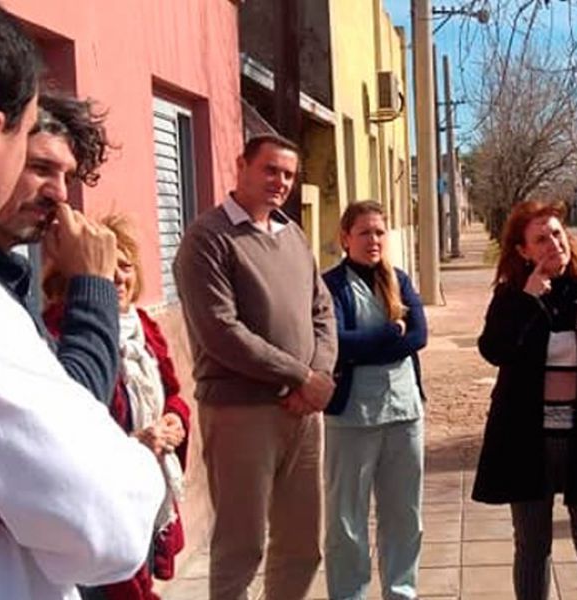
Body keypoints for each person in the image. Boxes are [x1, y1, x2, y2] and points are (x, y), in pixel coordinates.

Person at [0, 2, 164, 599]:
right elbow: (104, 519)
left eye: (68, 176)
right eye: (35, 163)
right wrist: (92, 291)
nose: (59, 196)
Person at [173, 133, 338, 600]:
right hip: (242, 412)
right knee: (240, 547)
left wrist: (318, 377)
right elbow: (221, 332)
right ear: (241, 165)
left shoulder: (292, 234)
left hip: (304, 413)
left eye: (288, 174)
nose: (280, 181)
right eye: (270, 169)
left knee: (303, 544)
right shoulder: (207, 239)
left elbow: (321, 311)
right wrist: (299, 376)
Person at [472, 201, 577, 600]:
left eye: (557, 234)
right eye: (540, 239)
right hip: (528, 439)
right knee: (532, 547)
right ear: (523, 251)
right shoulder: (512, 297)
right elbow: (494, 350)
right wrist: (526, 301)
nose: (552, 244)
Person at [43, 215, 191, 600]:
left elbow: (172, 391)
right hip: (97, 510)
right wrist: (135, 441)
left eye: (125, 266)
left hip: (145, 494)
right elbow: (71, 427)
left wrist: (175, 417)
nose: (118, 277)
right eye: (106, 267)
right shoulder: (62, 331)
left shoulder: (144, 327)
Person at [0, 90, 119, 404]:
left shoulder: (4, 274)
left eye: (68, 177)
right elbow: (75, 411)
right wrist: (94, 285)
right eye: (41, 168)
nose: (59, 194)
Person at [322, 201, 428, 600]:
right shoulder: (329, 286)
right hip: (353, 418)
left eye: (379, 232)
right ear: (345, 238)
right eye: (364, 232)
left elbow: (418, 336)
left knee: (405, 517)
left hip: (405, 415)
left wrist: (375, 343)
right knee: (346, 522)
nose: (373, 240)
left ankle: (401, 592)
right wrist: (389, 336)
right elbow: (335, 344)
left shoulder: (398, 279)